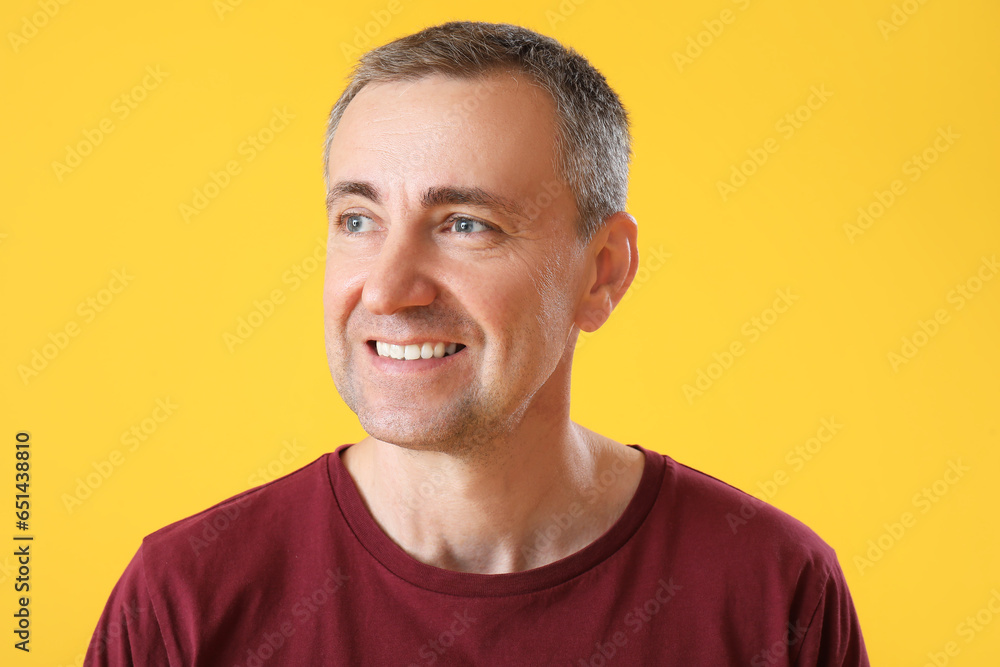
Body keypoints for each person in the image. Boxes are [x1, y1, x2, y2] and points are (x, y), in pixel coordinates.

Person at [86, 21, 869, 665]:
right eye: (359, 220)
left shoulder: (773, 591)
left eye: (466, 225)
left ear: (601, 273)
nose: (389, 290)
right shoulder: (183, 601)